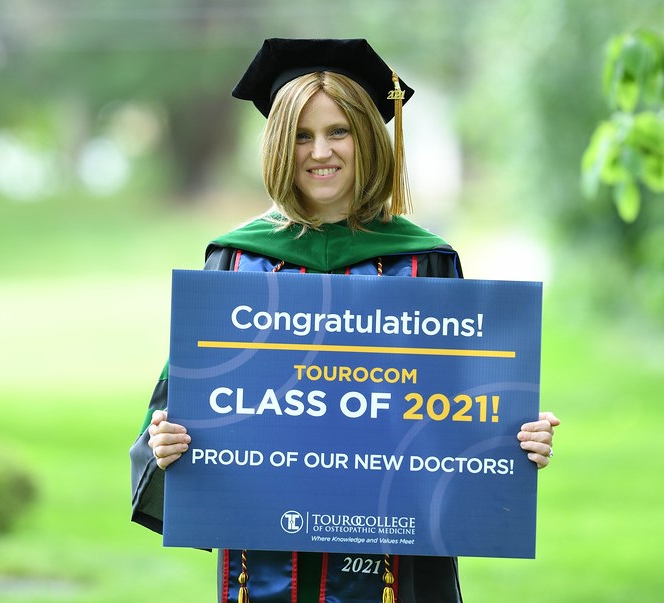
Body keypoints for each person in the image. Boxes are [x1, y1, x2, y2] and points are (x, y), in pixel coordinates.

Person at [130, 38, 560, 603]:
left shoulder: (425, 261)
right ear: (280, 145)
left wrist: (516, 438)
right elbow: (182, 404)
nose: (320, 152)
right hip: (264, 553)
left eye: (339, 132)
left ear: (369, 139)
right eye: (302, 135)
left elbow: (465, 407)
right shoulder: (235, 260)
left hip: (395, 552)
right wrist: (165, 443)